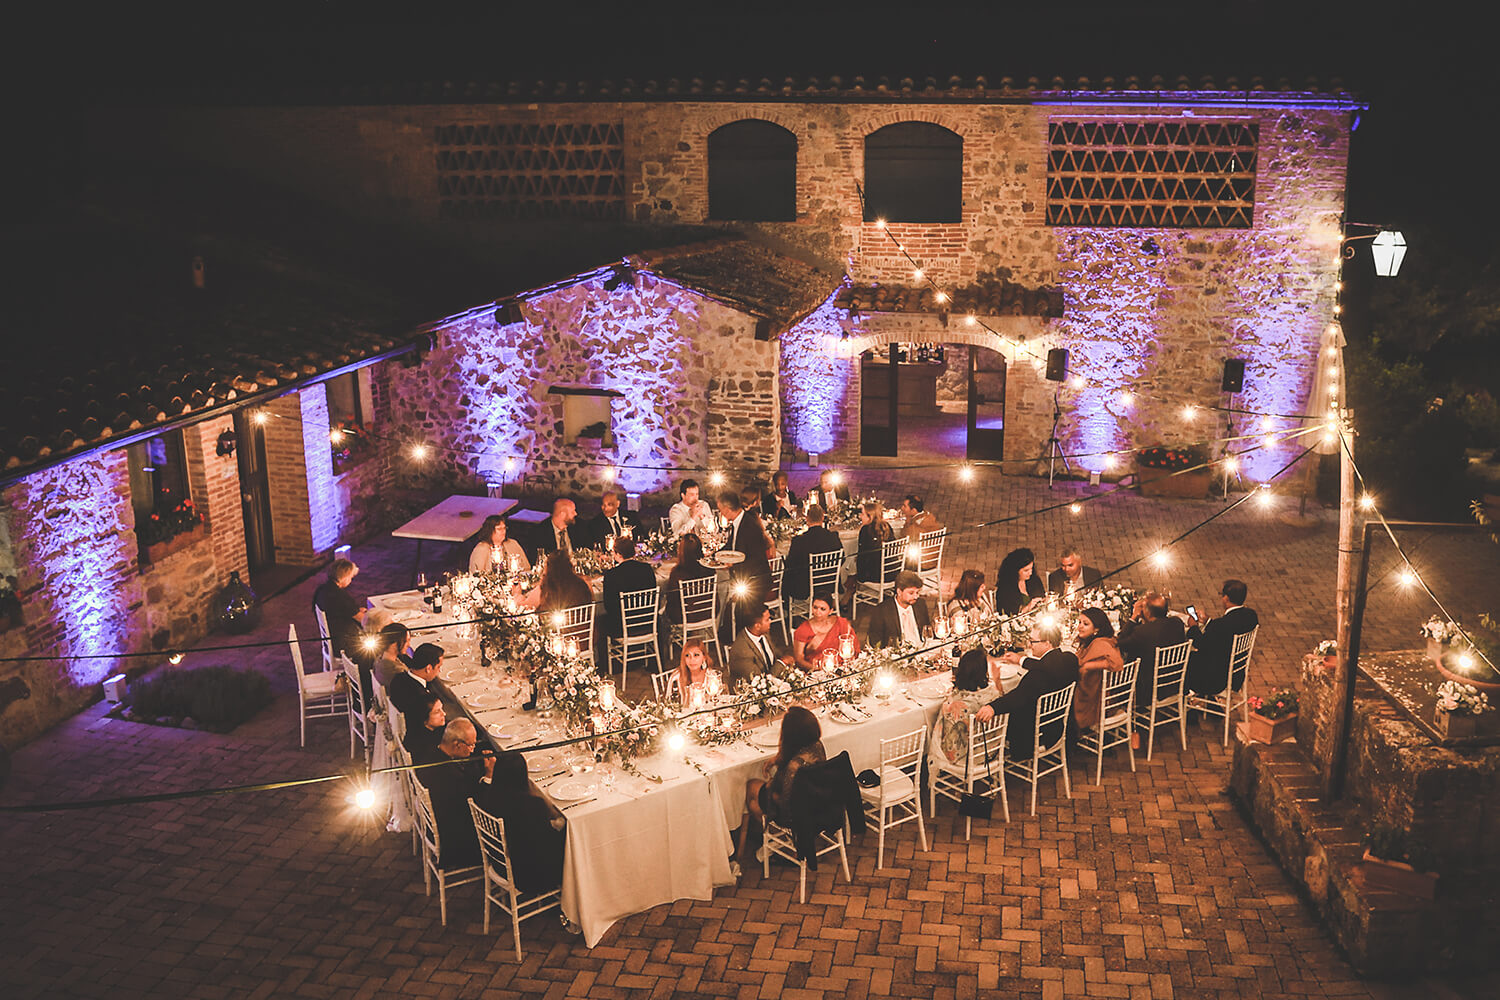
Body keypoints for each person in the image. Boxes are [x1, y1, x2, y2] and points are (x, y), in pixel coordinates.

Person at [975, 623, 1080, 760]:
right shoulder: (1069, 660)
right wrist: (1021, 660)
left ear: (1047, 644)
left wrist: (992, 707)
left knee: (987, 713)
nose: (1030, 645)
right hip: (1058, 727)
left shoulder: (1037, 675)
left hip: (1037, 736)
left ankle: (986, 757)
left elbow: (1017, 697)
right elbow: (1044, 666)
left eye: (1033, 641)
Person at [737, 705, 826, 862]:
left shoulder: (793, 767)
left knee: (751, 787)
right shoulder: (817, 745)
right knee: (760, 786)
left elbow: (785, 804)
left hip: (797, 814)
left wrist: (771, 786)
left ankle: (778, 836)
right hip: (818, 802)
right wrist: (777, 759)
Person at [412, 719, 493, 869]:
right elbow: (478, 805)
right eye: (471, 745)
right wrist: (488, 775)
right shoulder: (449, 776)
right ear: (457, 744)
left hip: (443, 817)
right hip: (458, 841)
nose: (473, 749)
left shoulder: (433, 752)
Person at [485, 750, 567, 895]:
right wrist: (562, 822)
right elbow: (548, 840)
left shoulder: (489, 795)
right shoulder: (533, 805)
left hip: (499, 863)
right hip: (529, 877)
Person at [1186, 579, 1260, 697]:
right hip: (1236, 675)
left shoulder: (1221, 625)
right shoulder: (1251, 615)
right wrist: (1208, 621)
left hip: (1216, 680)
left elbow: (1200, 644)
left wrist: (1193, 627)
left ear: (1226, 598)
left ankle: (1184, 704)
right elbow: (1223, 635)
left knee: (1184, 660)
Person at [929, 648, 1000, 768]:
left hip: (965, 757)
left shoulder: (956, 704)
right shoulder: (994, 694)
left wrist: (952, 695)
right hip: (991, 750)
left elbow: (945, 734)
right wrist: (997, 679)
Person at [1118, 591, 1186, 715]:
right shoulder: (1177, 623)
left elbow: (1119, 643)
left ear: (1147, 612)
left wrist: (1133, 617)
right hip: (1174, 683)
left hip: (1147, 690)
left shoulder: (1143, 632)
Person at [718, 491, 773, 631]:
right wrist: (716, 555)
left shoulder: (749, 525)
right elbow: (731, 545)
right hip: (745, 580)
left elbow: (756, 558)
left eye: (720, 510)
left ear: (727, 509)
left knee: (749, 620)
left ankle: (748, 646)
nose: (720, 513)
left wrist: (733, 564)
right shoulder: (738, 522)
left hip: (755, 581)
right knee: (741, 616)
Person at [1072, 607, 1125, 733]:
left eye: (1085, 624)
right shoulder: (1091, 641)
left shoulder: (1100, 643)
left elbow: (1118, 663)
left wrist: (1088, 666)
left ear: (1096, 629)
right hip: (1092, 692)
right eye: (1079, 622)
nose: (1080, 627)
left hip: (1091, 701)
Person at [782, 504, 843, 609]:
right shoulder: (833, 537)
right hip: (829, 584)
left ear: (807, 519)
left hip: (806, 587)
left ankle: (786, 607)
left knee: (786, 574)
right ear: (823, 518)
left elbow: (791, 565)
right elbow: (842, 559)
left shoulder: (799, 541)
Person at [601, 535, 657, 642]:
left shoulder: (611, 575)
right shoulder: (647, 569)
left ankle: (606, 658)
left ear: (618, 554)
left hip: (622, 626)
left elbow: (608, 606)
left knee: (601, 620)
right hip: (647, 622)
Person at [844, 499, 895, 611]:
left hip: (876, 575)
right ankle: (849, 592)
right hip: (892, 573)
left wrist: (857, 573)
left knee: (851, 563)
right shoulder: (887, 527)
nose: (860, 516)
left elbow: (863, 558)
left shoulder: (865, 530)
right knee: (853, 563)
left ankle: (847, 594)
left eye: (862, 514)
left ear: (870, 517)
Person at [312, 557, 366, 659]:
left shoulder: (322, 589)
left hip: (332, 638)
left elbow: (342, 611)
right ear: (344, 577)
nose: (351, 580)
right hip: (343, 644)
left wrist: (357, 610)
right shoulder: (340, 596)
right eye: (350, 577)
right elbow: (363, 620)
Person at [791, 593, 859, 672]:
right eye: (815, 607)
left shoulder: (840, 623)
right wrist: (818, 670)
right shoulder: (803, 630)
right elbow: (799, 659)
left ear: (830, 611)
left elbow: (852, 646)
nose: (817, 612)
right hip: (816, 671)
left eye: (822, 609)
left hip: (842, 666)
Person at [727, 606, 792, 688]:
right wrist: (782, 663)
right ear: (757, 626)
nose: (770, 621)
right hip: (751, 692)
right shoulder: (742, 651)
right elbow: (760, 682)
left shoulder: (763, 634)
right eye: (767, 620)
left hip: (772, 684)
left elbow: (775, 653)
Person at [864, 571, 933, 648]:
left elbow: (927, 631)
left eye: (917, 592)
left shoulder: (920, 604)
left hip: (922, 648)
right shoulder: (882, 611)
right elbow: (875, 641)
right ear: (899, 592)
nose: (916, 596)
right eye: (911, 593)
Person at [517, 549, 593, 617]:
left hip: (557, 631)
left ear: (549, 568)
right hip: (585, 630)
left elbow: (524, 606)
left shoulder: (546, 588)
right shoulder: (582, 584)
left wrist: (517, 594)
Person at [388, 642, 450, 721]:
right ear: (428, 668)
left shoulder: (398, 678)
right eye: (438, 667)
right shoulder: (422, 699)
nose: (439, 671)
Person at [662, 533, 716, 624]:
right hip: (708, 612)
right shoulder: (709, 569)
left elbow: (672, 599)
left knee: (662, 611)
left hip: (685, 617)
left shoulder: (677, 573)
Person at [994, 547, 1046, 616]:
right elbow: (1007, 616)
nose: (1030, 573)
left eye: (1031, 568)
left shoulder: (1034, 580)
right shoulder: (1005, 589)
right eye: (1026, 570)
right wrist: (1027, 608)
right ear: (1015, 570)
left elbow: (1042, 596)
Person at [533, 498, 584, 562]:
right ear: (562, 514)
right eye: (572, 511)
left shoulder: (578, 527)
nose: (575, 514)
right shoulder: (540, 533)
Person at [402, 690, 447, 759]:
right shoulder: (428, 747)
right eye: (437, 712)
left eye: (441, 709)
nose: (444, 714)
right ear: (424, 718)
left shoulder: (417, 729)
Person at [371, 622, 412, 689]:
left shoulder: (379, 660)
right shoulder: (397, 672)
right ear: (394, 644)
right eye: (405, 641)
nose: (409, 645)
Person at [676, 638, 718, 703]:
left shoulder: (711, 676)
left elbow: (717, 700)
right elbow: (668, 706)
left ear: (704, 657)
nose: (692, 659)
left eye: (696, 655)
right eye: (687, 655)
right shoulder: (676, 678)